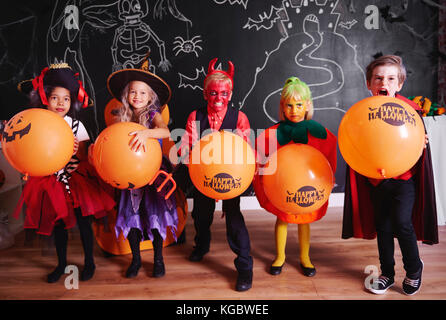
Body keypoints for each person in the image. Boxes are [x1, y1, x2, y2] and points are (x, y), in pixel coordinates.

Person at [342, 55, 438, 295]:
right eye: (378, 78)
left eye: (391, 78)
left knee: (402, 223)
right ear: (369, 84)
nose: (384, 82)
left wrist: (422, 141)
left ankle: (414, 269)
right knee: (383, 226)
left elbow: (418, 142)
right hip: (376, 181)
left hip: (404, 180)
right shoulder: (362, 113)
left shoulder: (410, 112)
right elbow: (356, 141)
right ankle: (387, 273)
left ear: (399, 84)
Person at [14, 63, 116, 283]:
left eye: (66, 99)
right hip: (50, 183)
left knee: (84, 224)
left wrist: (76, 158)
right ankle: (61, 264)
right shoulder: (37, 123)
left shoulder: (76, 125)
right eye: (55, 98)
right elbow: (29, 151)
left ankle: (90, 262)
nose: (61, 103)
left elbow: (87, 154)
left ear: (72, 102)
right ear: (45, 99)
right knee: (58, 226)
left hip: (76, 182)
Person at [178, 58, 253, 292]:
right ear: (205, 93)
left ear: (230, 95)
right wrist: (188, 154)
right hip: (203, 177)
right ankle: (202, 245)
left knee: (234, 220)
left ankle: (244, 267)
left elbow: (246, 151)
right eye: (212, 93)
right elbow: (185, 146)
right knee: (201, 215)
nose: (218, 98)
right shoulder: (195, 117)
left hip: (231, 178)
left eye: (223, 93)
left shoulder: (239, 118)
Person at [253, 77, 337, 277]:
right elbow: (261, 158)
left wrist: (326, 182)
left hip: (306, 191)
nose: (294, 110)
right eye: (289, 105)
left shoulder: (320, 134)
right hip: (283, 189)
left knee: (304, 220)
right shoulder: (271, 135)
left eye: (299, 105)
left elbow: (328, 160)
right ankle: (280, 256)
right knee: (282, 219)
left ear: (307, 105)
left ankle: (305, 257)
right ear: (283, 106)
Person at [107, 60, 178, 278]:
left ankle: (158, 259)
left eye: (142, 93)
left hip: (153, 172)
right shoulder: (122, 117)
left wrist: (147, 133)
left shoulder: (152, 114)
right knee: (132, 218)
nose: (137, 96)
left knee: (154, 217)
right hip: (129, 175)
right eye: (133, 92)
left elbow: (165, 132)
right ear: (127, 95)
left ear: (150, 97)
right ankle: (136, 259)